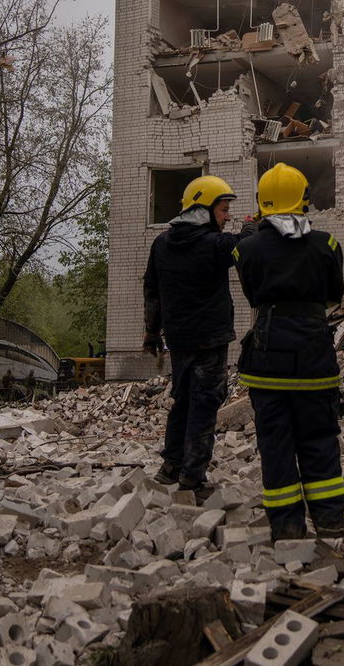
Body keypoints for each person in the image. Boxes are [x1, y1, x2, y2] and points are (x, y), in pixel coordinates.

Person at [233, 163, 344, 541]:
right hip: (315, 358)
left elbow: (254, 296)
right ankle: (330, 520)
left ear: (262, 202)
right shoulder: (327, 245)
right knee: (320, 439)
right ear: (304, 199)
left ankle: (286, 526)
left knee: (275, 444)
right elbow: (333, 296)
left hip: (267, 361)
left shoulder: (246, 249)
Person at [143, 174, 244, 494]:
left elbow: (152, 291)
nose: (227, 217)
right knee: (205, 404)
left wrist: (151, 333)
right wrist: (254, 226)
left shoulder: (161, 244)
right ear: (204, 209)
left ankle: (171, 467)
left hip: (179, 340)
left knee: (183, 400)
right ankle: (193, 478)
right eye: (223, 209)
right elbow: (246, 244)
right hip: (211, 339)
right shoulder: (215, 244)